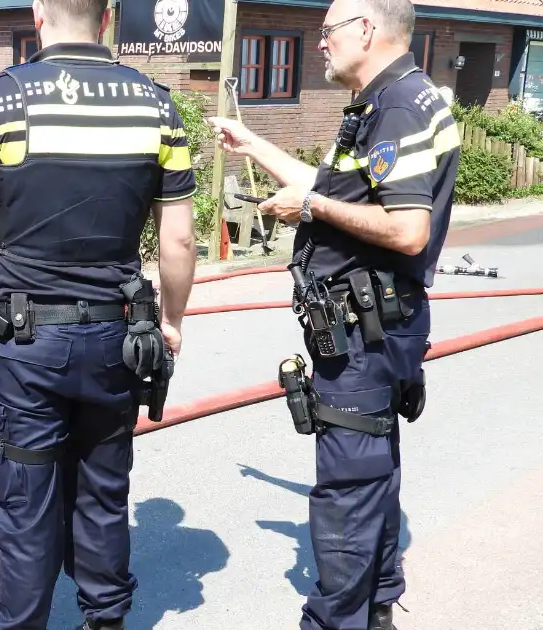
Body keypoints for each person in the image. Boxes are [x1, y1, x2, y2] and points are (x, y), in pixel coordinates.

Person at [0, 0, 198, 627]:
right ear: (110, 16)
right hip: (118, 338)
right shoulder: (156, 107)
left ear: (39, 11)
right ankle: (106, 619)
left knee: (26, 502)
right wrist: (173, 318)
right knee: (103, 489)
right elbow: (177, 242)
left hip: (23, 346)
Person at [207, 0, 460, 627]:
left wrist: (313, 210)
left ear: (367, 30)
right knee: (372, 468)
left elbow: (406, 231)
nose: (320, 44)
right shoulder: (394, 99)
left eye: (327, 33)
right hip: (374, 327)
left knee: (347, 487)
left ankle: (335, 619)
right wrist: (253, 142)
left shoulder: (397, 108)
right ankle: (376, 605)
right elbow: (327, 184)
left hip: (363, 334)